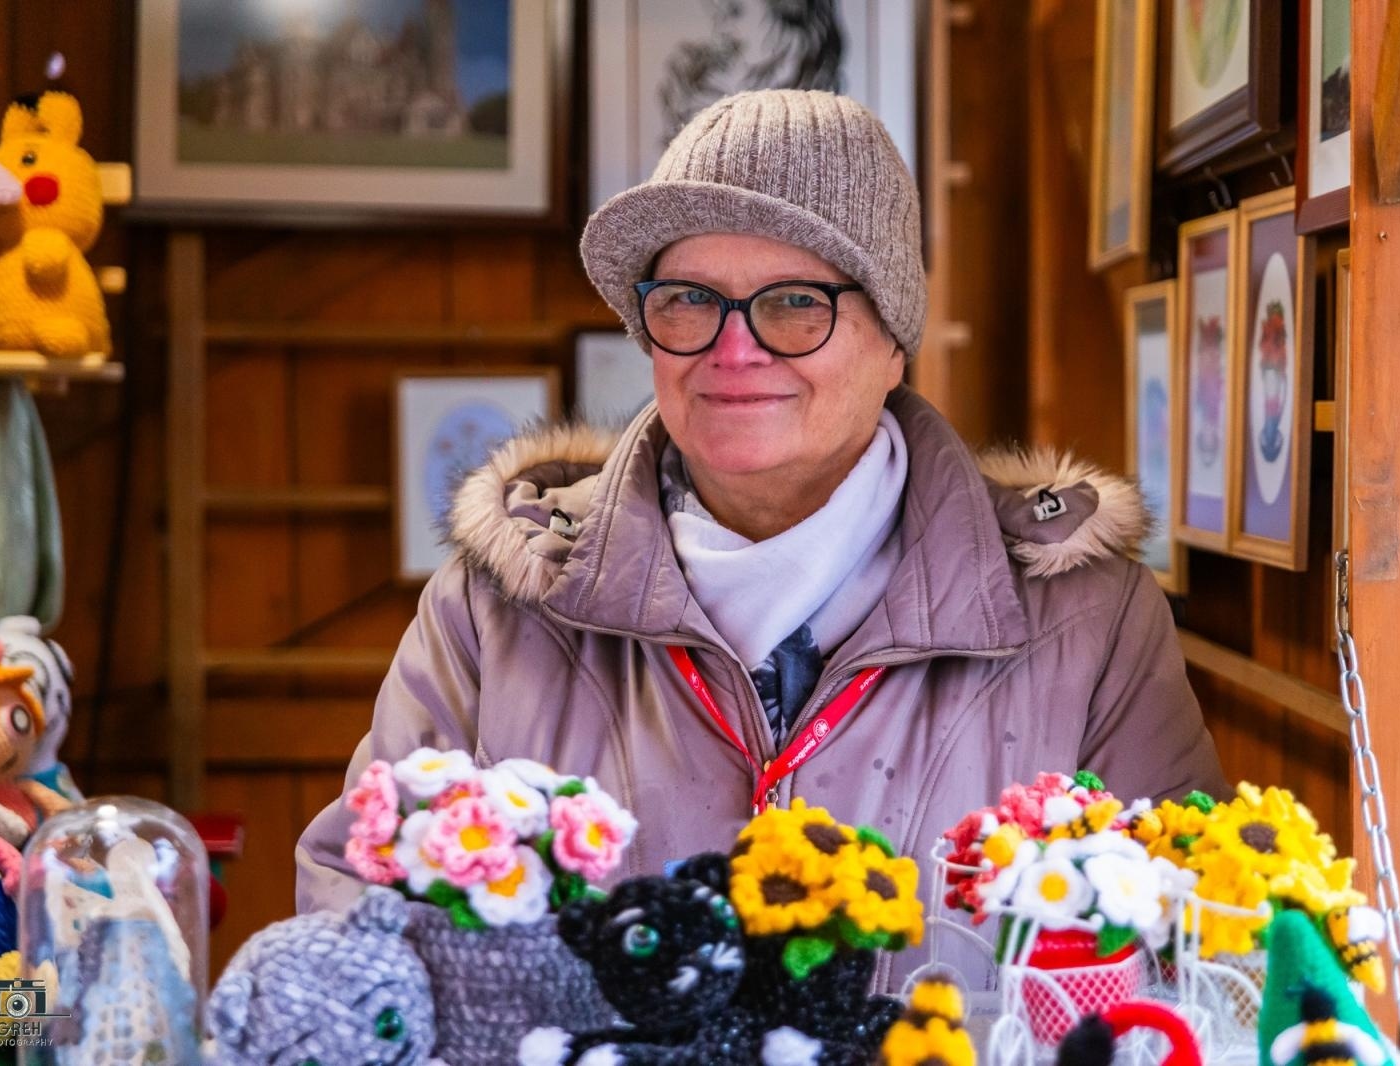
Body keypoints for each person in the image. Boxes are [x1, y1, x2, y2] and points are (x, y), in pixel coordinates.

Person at [296, 89, 1224, 919]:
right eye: (690, 300)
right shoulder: (498, 605)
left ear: (893, 339)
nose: (733, 351)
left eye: (793, 304)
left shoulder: (1083, 619)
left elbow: (1194, 950)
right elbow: (359, 912)